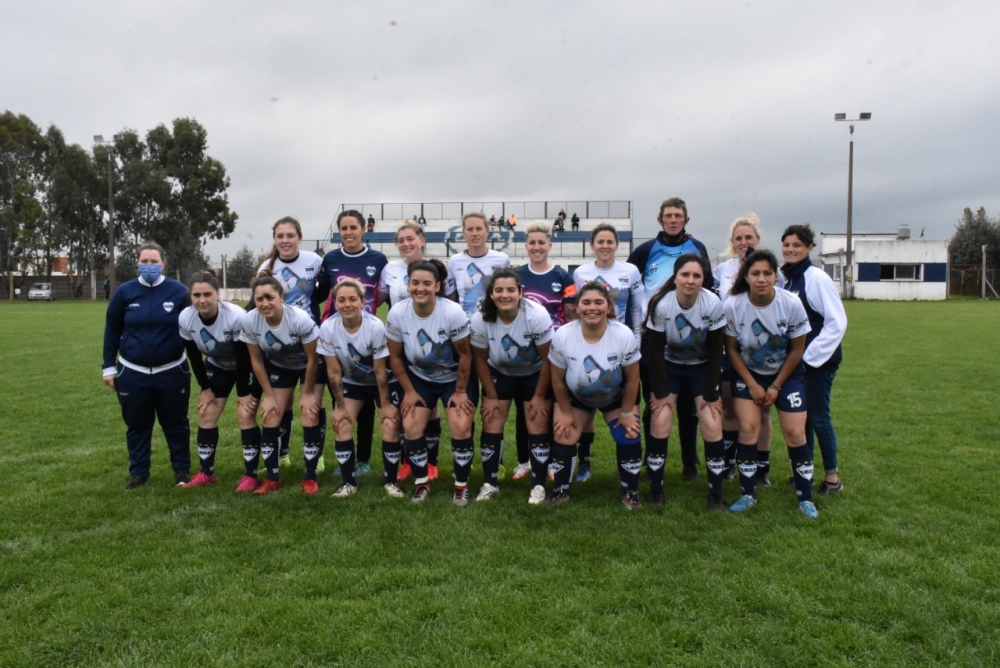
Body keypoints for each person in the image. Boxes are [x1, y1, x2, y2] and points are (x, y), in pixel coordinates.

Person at [723, 250, 817, 518]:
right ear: (747, 276)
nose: (761, 279)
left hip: (787, 376)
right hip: (749, 374)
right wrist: (752, 384)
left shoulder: (791, 303)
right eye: (755, 273)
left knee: (795, 434)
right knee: (748, 430)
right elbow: (731, 350)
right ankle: (747, 494)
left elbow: (797, 350)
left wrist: (775, 386)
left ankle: (805, 498)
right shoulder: (733, 305)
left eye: (767, 273)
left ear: (776, 276)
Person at [628, 197, 711, 482]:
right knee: (656, 403)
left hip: (690, 339)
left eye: (678, 216)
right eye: (668, 216)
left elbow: (707, 287)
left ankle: (690, 463)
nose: (673, 220)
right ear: (660, 220)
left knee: (689, 409)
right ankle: (651, 462)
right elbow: (629, 286)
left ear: (686, 220)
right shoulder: (645, 251)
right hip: (654, 337)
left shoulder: (697, 249)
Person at [386, 260, 478, 505]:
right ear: (408, 284)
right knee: (411, 424)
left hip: (454, 378)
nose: (420, 288)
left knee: (460, 424)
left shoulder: (452, 312)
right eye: (415, 282)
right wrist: (408, 391)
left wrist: (459, 391)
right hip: (419, 378)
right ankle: (421, 483)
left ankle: (461, 486)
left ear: (437, 286)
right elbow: (394, 356)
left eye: (427, 283)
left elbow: (466, 354)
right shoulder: (397, 313)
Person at [103, 241, 192, 489]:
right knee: (137, 424)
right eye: (145, 261)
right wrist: (108, 367)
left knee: (176, 423)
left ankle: (182, 471)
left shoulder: (179, 292)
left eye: (154, 262)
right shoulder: (124, 292)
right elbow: (112, 330)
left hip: (172, 370)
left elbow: (192, 328)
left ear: (164, 263)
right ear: (137, 264)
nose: (149, 266)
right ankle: (139, 473)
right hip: (133, 371)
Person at [547, 282, 642, 509]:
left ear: (608, 307)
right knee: (564, 431)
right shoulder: (563, 335)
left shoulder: (623, 334)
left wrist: (628, 412)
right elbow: (558, 381)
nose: (592, 307)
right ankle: (561, 490)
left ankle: (630, 492)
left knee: (629, 433)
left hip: (615, 396)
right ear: (577, 307)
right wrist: (566, 413)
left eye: (599, 302)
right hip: (577, 396)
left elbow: (632, 379)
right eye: (586, 302)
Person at [642, 254, 726, 508]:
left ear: (703, 279)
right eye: (685, 275)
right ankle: (656, 490)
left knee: (711, 421)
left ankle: (716, 494)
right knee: (661, 417)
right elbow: (654, 351)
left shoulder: (712, 303)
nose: (690, 281)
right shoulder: (661, 303)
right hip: (670, 366)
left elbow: (715, 351)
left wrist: (712, 392)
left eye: (697, 276)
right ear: (675, 277)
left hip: (702, 367)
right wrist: (661, 391)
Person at [470, 269, 554, 504]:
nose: (504, 295)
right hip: (499, 371)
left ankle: (538, 485)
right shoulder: (480, 318)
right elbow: (480, 359)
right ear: (491, 294)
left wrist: (539, 396)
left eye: (510, 290)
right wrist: (492, 396)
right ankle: (490, 483)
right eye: (498, 290)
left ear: (520, 292)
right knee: (491, 418)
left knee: (537, 420)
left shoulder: (536, 315)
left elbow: (549, 359)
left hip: (535, 371)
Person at [317, 210, 389, 478]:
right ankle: (348, 458)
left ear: (363, 230)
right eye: (343, 228)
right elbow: (322, 291)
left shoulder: (378, 259)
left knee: (369, 400)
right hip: (339, 332)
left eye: (353, 227)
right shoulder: (331, 258)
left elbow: (384, 293)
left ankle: (366, 459)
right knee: (347, 395)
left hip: (367, 332)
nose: (348, 232)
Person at [713, 213, 783, 485]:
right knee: (729, 409)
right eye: (738, 238)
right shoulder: (722, 271)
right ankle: (730, 464)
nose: (744, 242)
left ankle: (761, 469)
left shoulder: (775, 272)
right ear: (732, 242)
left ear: (758, 239)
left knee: (761, 411)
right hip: (728, 348)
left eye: (748, 237)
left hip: (761, 352)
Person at [318, 279, 405, 498]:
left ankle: (391, 482)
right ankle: (349, 483)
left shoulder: (375, 326)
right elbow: (333, 372)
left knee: (389, 423)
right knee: (342, 423)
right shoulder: (328, 327)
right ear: (335, 303)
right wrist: (339, 406)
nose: (347, 304)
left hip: (382, 381)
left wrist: (385, 405)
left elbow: (379, 371)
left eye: (352, 299)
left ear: (362, 301)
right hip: (354, 383)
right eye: (341, 300)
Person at [570, 222, 642, 482]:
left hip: (620, 346)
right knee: (586, 407)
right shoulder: (581, 273)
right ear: (592, 246)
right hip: (590, 343)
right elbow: (577, 309)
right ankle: (585, 464)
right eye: (600, 242)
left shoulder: (630, 271)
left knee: (627, 406)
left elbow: (635, 309)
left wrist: (637, 341)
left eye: (610, 242)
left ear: (617, 245)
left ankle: (630, 473)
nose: (605, 246)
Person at [781, 223, 848, 495]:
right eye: (786, 244)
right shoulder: (788, 279)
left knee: (819, 418)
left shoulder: (816, 277)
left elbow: (836, 322)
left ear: (810, 247)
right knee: (802, 419)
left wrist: (809, 359)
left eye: (797, 245)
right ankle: (803, 472)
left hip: (817, 363)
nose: (791, 249)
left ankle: (833, 479)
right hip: (797, 364)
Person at [241, 276, 324, 495]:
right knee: (270, 414)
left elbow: (314, 358)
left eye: (270, 297)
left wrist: (306, 394)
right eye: (259, 299)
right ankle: (272, 478)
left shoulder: (299, 319)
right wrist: (268, 395)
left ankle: (310, 477)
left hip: (309, 365)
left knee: (309, 411)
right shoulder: (250, 320)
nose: (264, 303)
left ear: (281, 297)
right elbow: (256, 360)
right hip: (280, 367)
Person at [178, 270, 260, 490]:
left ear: (218, 294)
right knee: (207, 412)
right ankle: (206, 473)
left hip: (247, 365)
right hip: (218, 365)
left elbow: (243, 357)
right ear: (191, 296)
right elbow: (194, 356)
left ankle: (250, 475)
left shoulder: (235, 316)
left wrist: (243, 393)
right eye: (196, 295)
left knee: (246, 413)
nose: (202, 300)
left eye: (207, 294)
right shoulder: (186, 317)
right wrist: (205, 388)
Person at [256, 216, 325, 470]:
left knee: (315, 404)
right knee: (280, 404)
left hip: (309, 338)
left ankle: (317, 457)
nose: (285, 241)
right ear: (275, 239)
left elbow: (324, 291)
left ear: (300, 237)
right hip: (280, 343)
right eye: (280, 236)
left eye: (290, 235)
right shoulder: (266, 266)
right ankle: (282, 455)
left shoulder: (315, 261)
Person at [378, 221, 444, 481]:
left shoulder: (436, 268)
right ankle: (409, 459)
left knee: (431, 404)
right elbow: (379, 300)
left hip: (429, 341)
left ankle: (432, 462)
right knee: (406, 401)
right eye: (401, 240)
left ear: (422, 240)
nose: (405, 244)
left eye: (410, 239)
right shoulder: (390, 270)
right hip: (400, 341)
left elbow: (447, 302)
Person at [513, 222, 576, 480]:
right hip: (522, 353)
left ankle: (549, 460)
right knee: (523, 408)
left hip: (553, 353)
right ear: (526, 246)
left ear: (550, 246)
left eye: (541, 243)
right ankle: (524, 461)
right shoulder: (516, 275)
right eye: (532, 243)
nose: (537, 247)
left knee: (549, 406)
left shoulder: (563, 277)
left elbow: (571, 316)